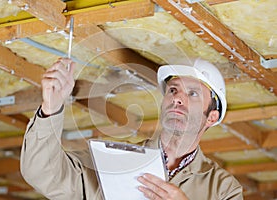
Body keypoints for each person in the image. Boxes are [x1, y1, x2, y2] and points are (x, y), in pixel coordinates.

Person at [20, 58, 243, 200]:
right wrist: (51, 108)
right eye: (173, 90)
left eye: (192, 94)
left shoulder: (223, 189)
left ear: (211, 117)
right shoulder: (113, 162)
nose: (178, 99)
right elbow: (42, 173)